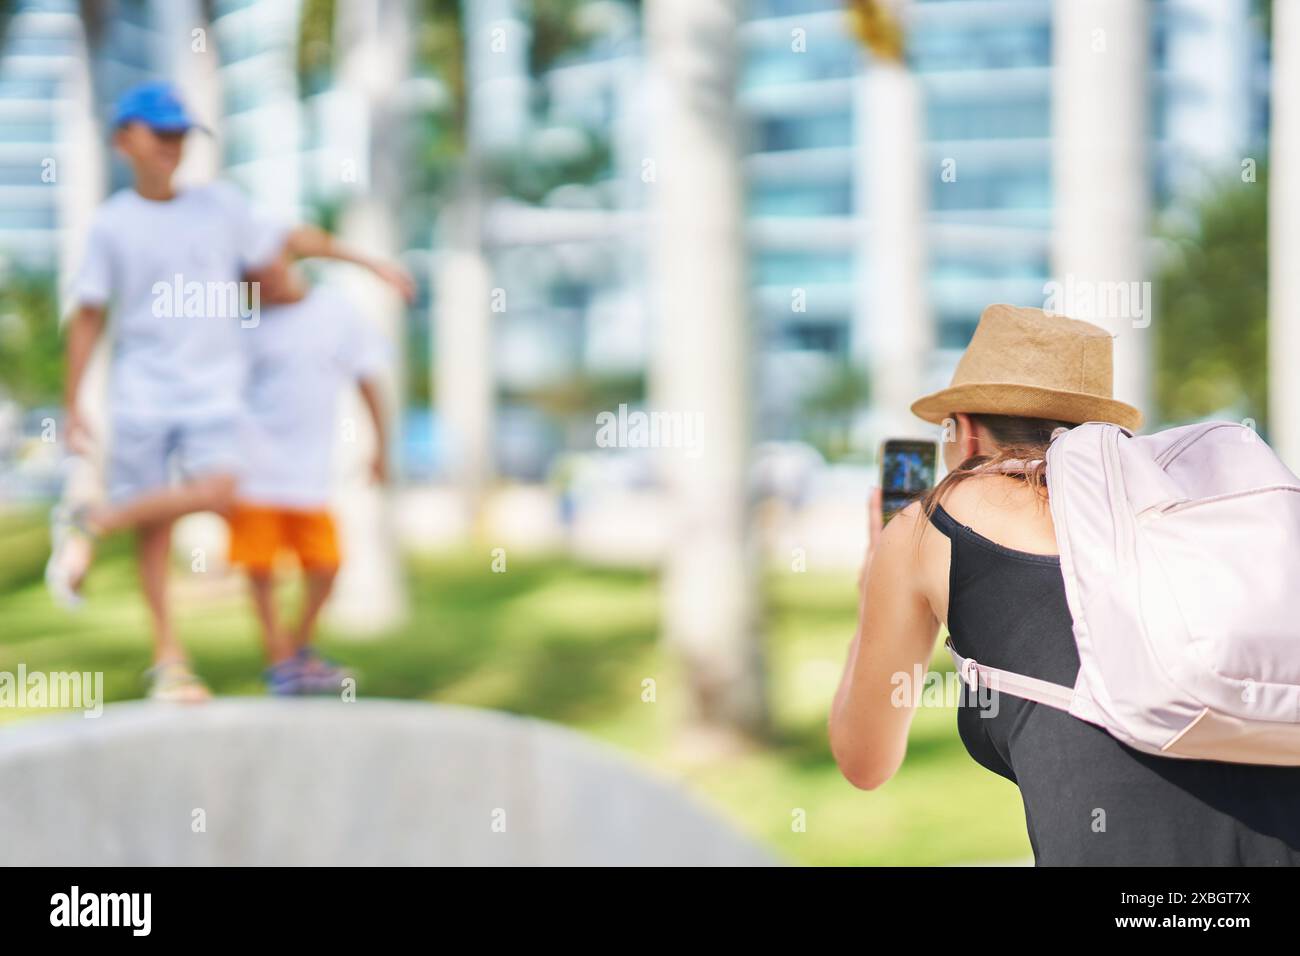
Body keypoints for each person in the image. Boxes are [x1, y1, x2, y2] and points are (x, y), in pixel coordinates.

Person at [829, 303, 1300, 865]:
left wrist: (873, 578)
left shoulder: (935, 520)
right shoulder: (1168, 517)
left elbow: (865, 759)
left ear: (970, 435)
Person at [46, 81, 412, 702]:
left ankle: (94, 518)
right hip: (141, 395)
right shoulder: (111, 225)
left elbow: (293, 241)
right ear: (124, 140)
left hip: (213, 394)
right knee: (156, 534)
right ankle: (170, 662)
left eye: (181, 134)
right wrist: (73, 401)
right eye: (160, 133)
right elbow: (87, 315)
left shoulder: (220, 207)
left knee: (224, 490)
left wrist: (368, 263)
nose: (173, 145)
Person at [226, 247, 390, 695]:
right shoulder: (245, 324)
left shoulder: (336, 312)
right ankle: (281, 660)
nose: (261, 286)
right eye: (250, 281)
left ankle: (297, 649)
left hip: (310, 474)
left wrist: (381, 447)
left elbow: (369, 378)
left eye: (266, 274)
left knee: (327, 563)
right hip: (253, 473)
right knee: (259, 568)